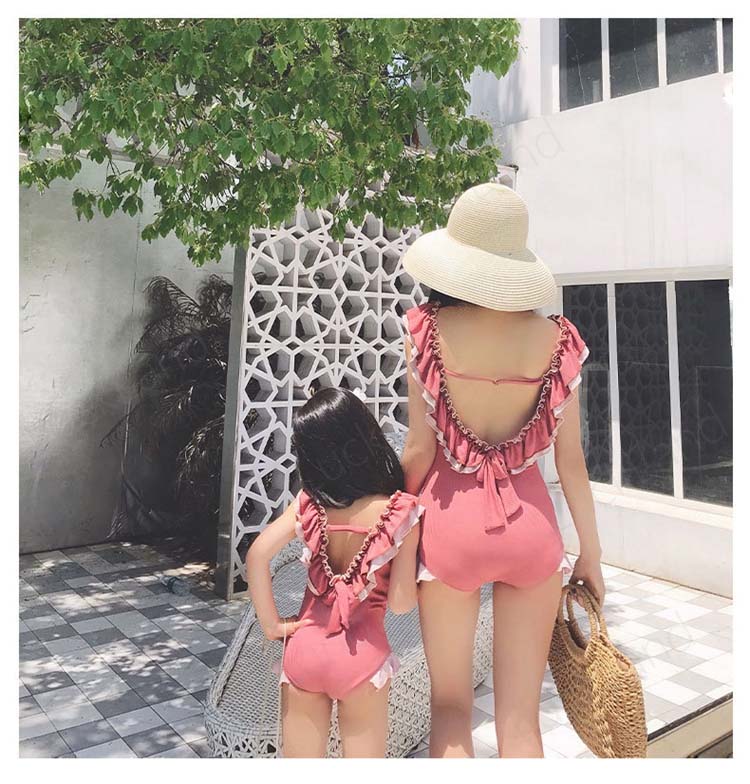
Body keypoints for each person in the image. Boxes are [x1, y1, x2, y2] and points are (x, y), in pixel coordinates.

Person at [399, 182, 605, 758]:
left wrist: (391, 528)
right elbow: (571, 463)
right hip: (532, 529)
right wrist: (590, 554)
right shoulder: (559, 340)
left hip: (449, 528)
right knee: (521, 724)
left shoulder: (426, 331)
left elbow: (418, 452)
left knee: (450, 712)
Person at [246, 387, 424, 758]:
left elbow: (257, 555)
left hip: (305, 650)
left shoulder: (309, 504)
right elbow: (401, 603)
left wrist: (272, 625)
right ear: (365, 437)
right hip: (362, 656)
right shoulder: (399, 511)